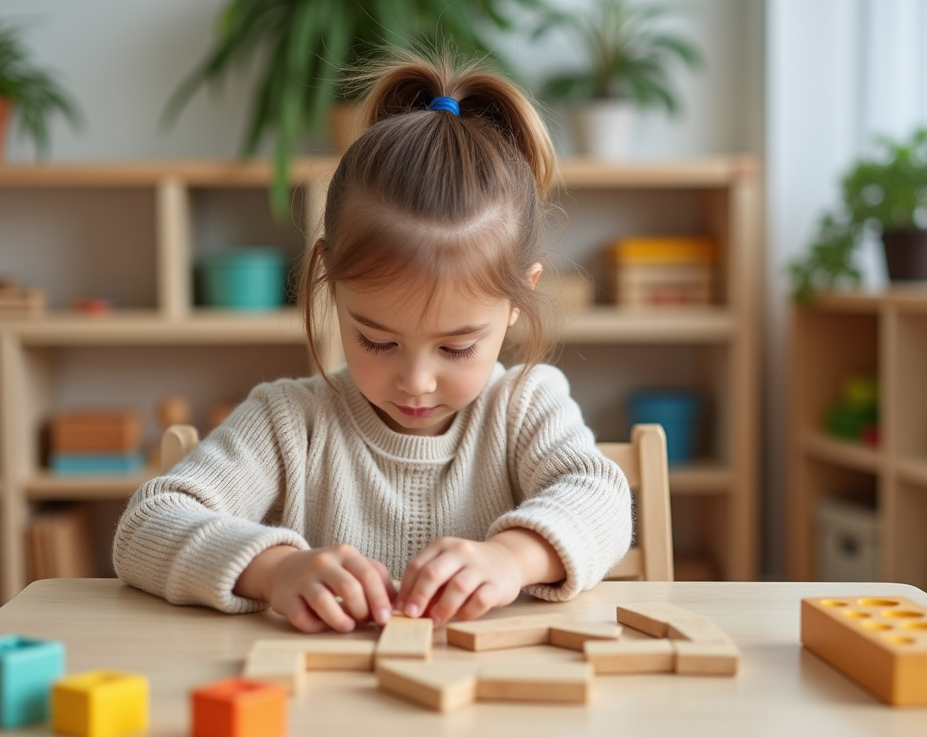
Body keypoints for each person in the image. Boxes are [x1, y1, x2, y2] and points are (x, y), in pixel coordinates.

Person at [112, 52, 632, 633]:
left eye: (456, 348)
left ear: (517, 301)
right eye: (378, 341)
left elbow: (601, 499)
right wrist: (275, 570)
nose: (416, 381)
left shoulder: (527, 405)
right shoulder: (290, 422)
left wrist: (511, 557)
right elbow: (147, 525)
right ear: (331, 282)